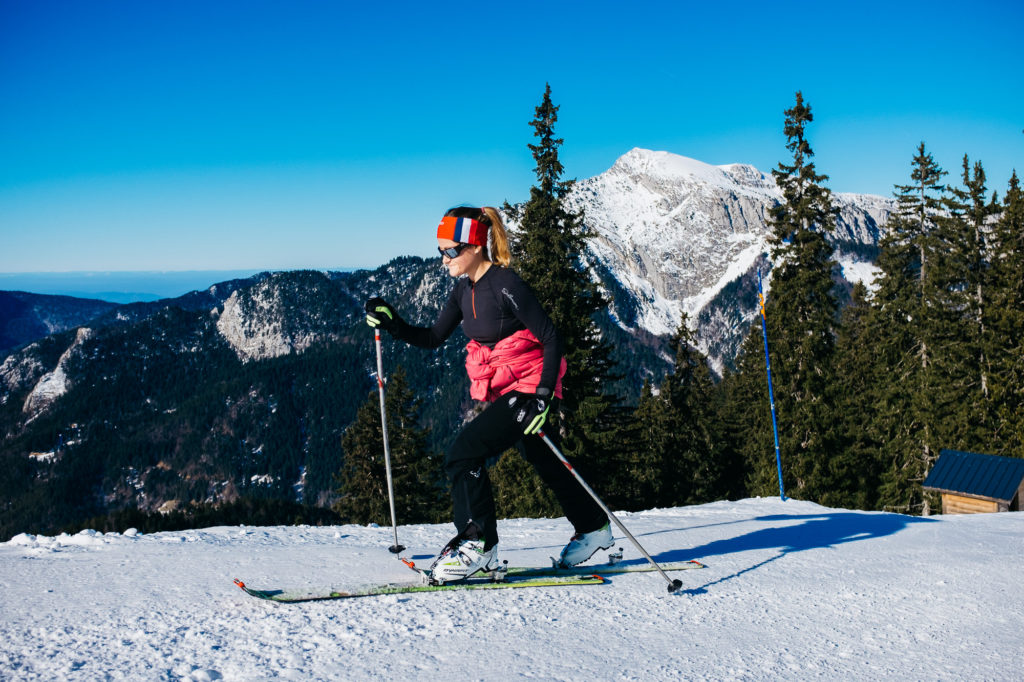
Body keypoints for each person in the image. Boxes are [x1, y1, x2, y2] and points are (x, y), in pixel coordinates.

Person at [365, 205, 612, 583]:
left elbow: (550, 337)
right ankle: (594, 527)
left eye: (450, 250)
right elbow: (432, 337)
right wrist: (393, 322)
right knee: (547, 461)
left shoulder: (506, 284)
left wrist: (542, 397)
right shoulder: (463, 290)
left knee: (464, 452)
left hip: (532, 388)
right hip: (509, 388)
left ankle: (479, 544)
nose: (444, 259)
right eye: (441, 250)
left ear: (475, 247)